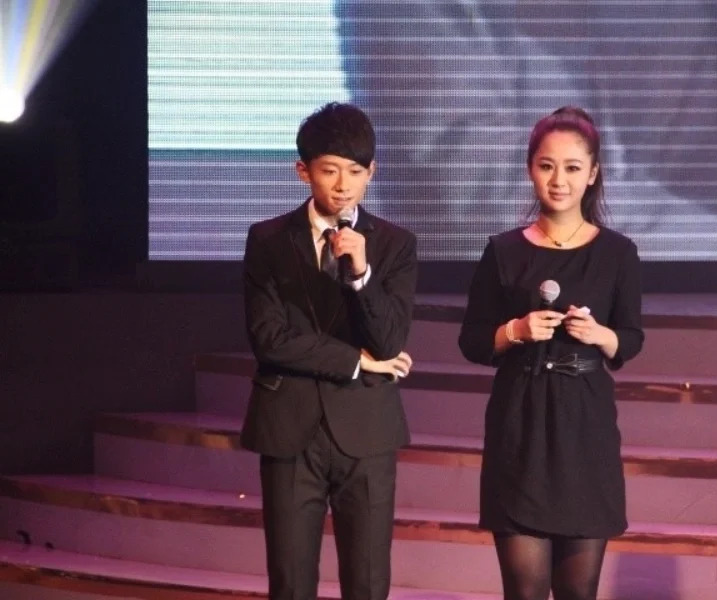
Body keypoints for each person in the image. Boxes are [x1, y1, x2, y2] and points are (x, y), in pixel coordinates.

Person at [458, 107, 644, 600]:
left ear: (593, 173)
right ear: (530, 169)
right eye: (546, 166)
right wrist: (516, 331)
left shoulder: (617, 253)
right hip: (521, 422)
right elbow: (473, 340)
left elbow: (630, 339)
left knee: (578, 590)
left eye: (572, 167)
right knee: (524, 589)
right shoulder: (503, 250)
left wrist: (599, 334)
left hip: (585, 425)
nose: (559, 180)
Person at [239, 102, 417, 600]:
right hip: (289, 427)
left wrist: (361, 274)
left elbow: (389, 341)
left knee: (368, 582)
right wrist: (356, 361)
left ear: (372, 172)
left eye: (356, 172)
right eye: (330, 170)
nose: (343, 185)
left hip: (367, 429)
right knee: (291, 581)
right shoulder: (268, 240)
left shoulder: (396, 245)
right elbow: (269, 338)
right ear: (304, 171)